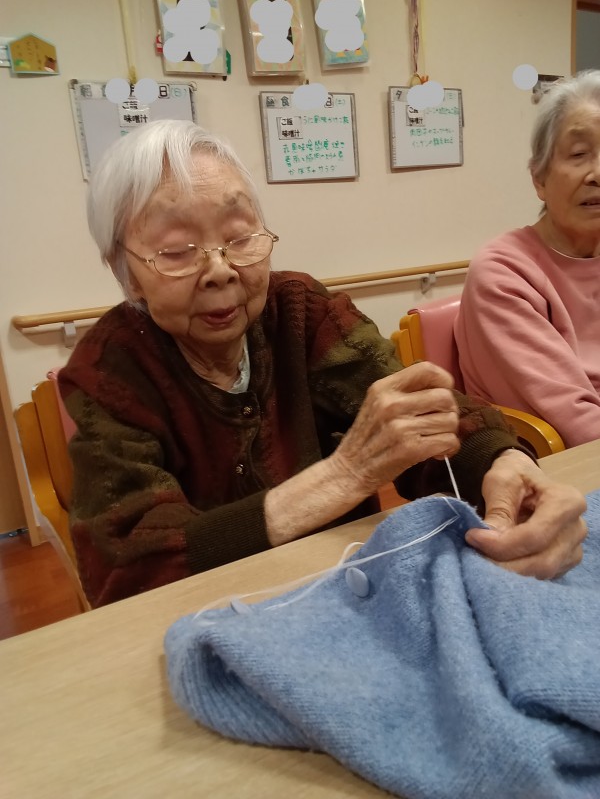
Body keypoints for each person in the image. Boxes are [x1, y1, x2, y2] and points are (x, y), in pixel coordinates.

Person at [59, 119, 586, 608]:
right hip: (211, 617)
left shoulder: (301, 311)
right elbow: (127, 566)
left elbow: (416, 413)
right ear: (125, 272)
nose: (220, 270)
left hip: (348, 594)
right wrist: (346, 474)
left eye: (239, 237)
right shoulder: (109, 370)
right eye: (177, 251)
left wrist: (504, 466)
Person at [455, 70, 600, 448]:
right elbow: (574, 421)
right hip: (559, 466)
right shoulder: (503, 272)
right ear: (539, 178)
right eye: (579, 154)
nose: (598, 174)